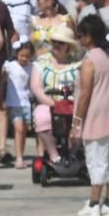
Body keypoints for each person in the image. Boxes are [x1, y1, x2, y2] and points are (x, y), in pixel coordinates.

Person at [71, 15, 109, 216]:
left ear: (89, 37)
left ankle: (94, 203)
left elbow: (84, 96)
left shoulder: (89, 61)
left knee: (95, 160)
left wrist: (76, 123)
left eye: (80, 35)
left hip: (96, 115)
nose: (78, 39)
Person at [29, 24, 83, 167]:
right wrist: (53, 103)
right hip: (49, 102)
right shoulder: (42, 62)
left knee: (82, 119)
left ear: (68, 46)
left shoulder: (79, 63)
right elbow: (36, 87)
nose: (57, 45)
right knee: (42, 116)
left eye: (61, 43)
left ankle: (73, 152)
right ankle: (54, 154)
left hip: (74, 102)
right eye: (55, 42)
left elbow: (83, 88)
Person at [0, 41, 34, 169]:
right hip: (14, 103)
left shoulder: (32, 67)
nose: (24, 59)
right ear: (16, 54)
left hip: (26, 103)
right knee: (18, 129)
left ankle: (21, 155)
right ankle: (18, 159)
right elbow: (2, 83)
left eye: (27, 56)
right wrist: (1, 99)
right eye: (22, 56)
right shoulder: (9, 66)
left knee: (24, 131)